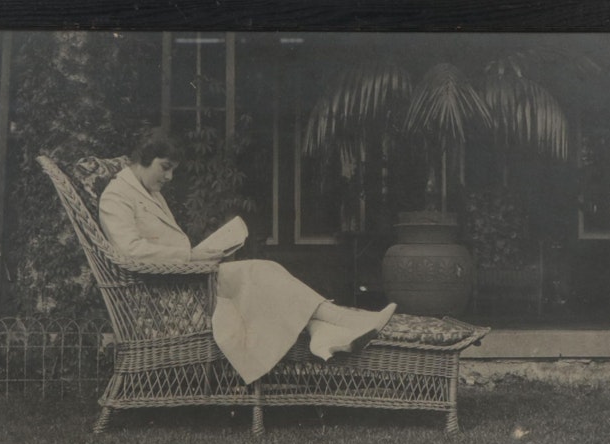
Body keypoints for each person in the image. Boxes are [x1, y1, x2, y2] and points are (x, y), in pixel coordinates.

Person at [98, 130, 396, 384]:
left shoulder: (148, 191)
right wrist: (191, 256)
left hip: (186, 280)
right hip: (165, 295)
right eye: (165, 167)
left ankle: (323, 331)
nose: (170, 176)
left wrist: (202, 256)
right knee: (262, 273)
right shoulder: (117, 196)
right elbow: (130, 251)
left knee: (267, 273)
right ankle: (345, 321)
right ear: (143, 158)